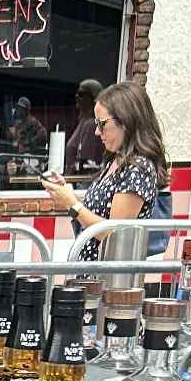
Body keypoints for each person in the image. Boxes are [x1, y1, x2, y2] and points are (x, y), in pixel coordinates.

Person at [41, 81, 167, 263]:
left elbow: (114, 234)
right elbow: (99, 216)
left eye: (102, 124)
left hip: (107, 280)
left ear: (126, 121)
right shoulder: (116, 161)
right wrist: (69, 198)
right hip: (94, 273)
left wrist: (72, 204)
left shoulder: (137, 168)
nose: (96, 132)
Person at [63, 79, 105, 172]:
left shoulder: (91, 125)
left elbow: (87, 166)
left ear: (93, 97)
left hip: (81, 183)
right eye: (77, 93)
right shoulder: (83, 123)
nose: (76, 96)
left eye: (81, 94)